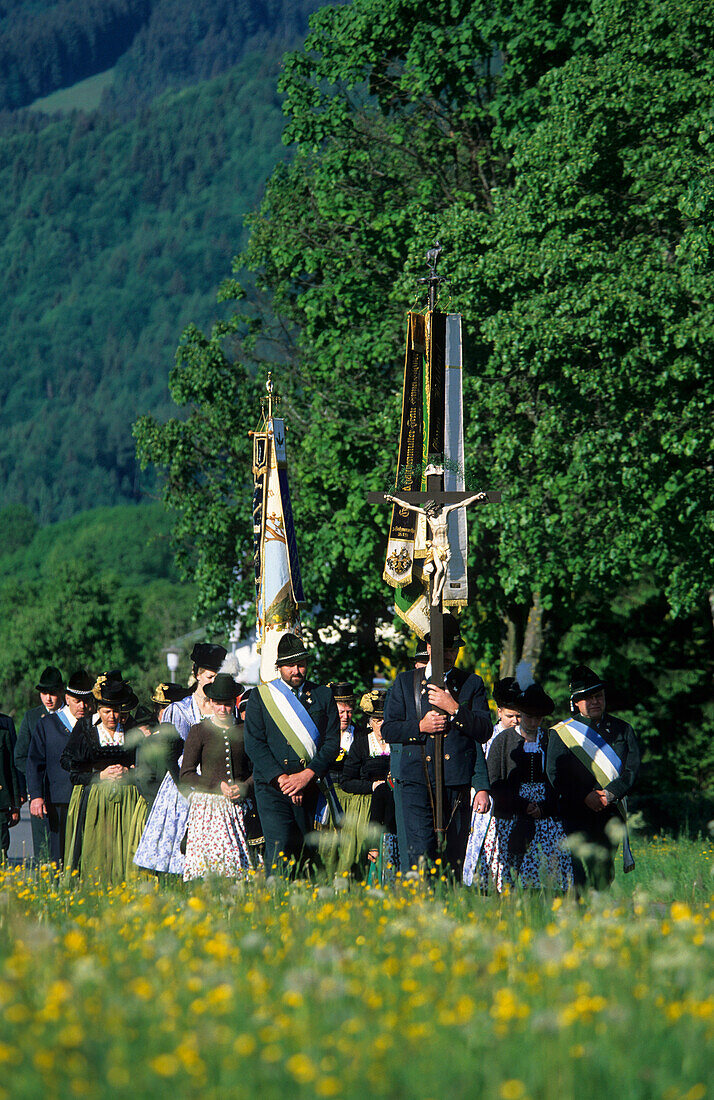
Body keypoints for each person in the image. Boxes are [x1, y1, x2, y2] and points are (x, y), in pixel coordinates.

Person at [382, 614, 491, 875]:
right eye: (443, 648)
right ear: (429, 647)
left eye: (453, 649)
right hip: (416, 781)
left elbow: (484, 731)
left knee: (452, 858)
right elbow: (389, 729)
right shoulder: (405, 681)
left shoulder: (472, 684)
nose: (448, 654)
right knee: (420, 856)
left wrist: (454, 708)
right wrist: (420, 727)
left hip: (455, 782)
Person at [244, 633, 340, 872]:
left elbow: (331, 743)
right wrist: (283, 779)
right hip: (273, 788)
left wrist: (306, 776)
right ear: (279, 667)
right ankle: (275, 903)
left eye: (301, 664)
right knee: (280, 849)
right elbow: (254, 744)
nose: (296, 670)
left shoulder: (323, 695)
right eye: (289, 665)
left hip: (310, 786)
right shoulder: (261, 697)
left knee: (308, 855)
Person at [133, 645, 228, 876]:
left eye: (218, 677)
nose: (213, 682)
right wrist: (185, 788)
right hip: (182, 782)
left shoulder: (221, 708)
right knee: (178, 855)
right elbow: (169, 755)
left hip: (215, 785)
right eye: (210, 677)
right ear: (197, 674)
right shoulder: (179, 709)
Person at [547, 665, 640, 890]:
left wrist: (609, 794)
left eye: (598, 696)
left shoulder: (622, 729)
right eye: (588, 698)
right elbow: (554, 774)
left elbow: (632, 769)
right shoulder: (562, 733)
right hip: (576, 811)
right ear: (576, 703)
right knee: (578, 873)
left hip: (610, 812)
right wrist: (584, 796)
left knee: (604, 874)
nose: (595, 701)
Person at [479, 681, 573, 893]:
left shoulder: (550, 740)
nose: (533, 721)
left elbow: (560, 779)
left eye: (538, 717)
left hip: (545, 815)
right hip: (510, 815)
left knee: (548, 871)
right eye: (528, 716)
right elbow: (494, 779)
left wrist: (543, 807)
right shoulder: (503, 740)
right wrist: (521, 805)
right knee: (510, 871)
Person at [61, 675, 147, 883]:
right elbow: (71, 768)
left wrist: (129, 773)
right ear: (98, 709)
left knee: (125, 849)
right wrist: (100, 775)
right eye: (107, 711)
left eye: (116, 711)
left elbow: (146, 768)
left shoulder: (130, 728)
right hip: (94, 799)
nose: (112, 716)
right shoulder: (85, 728)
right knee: (96, 849)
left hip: (127, 800)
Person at [180, 674, 255, 880]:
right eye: (218, 704)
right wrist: (216, 786)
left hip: (240, 807)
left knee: (240, 873)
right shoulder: (199, 731)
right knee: (210, 872)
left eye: (228, 704)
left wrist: (245, 787)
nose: (223, 709)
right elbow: (186, 774)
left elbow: (258, 769)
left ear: (234, 703)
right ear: (210, 703)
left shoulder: (245, 730)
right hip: (209, 809)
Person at [26, 670, 95, 865]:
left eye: (87, 701)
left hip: (89, 797)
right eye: (77, 701)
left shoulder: (95, 725)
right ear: (67, 698)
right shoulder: (47, 725)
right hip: (58, 800)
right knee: (58, 853)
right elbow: (34, 761)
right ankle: (59, 889)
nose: (83, 706)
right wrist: (36, 796)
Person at [462, 676, 521, 885]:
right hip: (490, 801)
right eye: (510, 715)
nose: (515, 720)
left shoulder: (526, 738)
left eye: (519, 716)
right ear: (499, 712)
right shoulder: (488, 735)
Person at [341, 690, 399, 882]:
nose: (381, 725)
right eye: (377, 720)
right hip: (367, 803)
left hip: (394, 802)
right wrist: (372, 786)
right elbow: (346, 781)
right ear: (369, 722)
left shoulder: (398, 743)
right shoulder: (361, 744)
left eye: (385, 720)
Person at [14, 665, 65, 861]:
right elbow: (21, 757)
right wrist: (35, 783)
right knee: (43, 851)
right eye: (44, 693)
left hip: (66, 791)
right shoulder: (32, 717)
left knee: (67, 850)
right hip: (40, 794)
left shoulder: (71, 716)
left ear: (61, 692)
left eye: (52, 693)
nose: (48, 698)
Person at [0, 710, 21, 860]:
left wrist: (15, 805)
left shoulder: (3, 734)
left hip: (0, 805)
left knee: (1, 852)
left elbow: (11, 770)